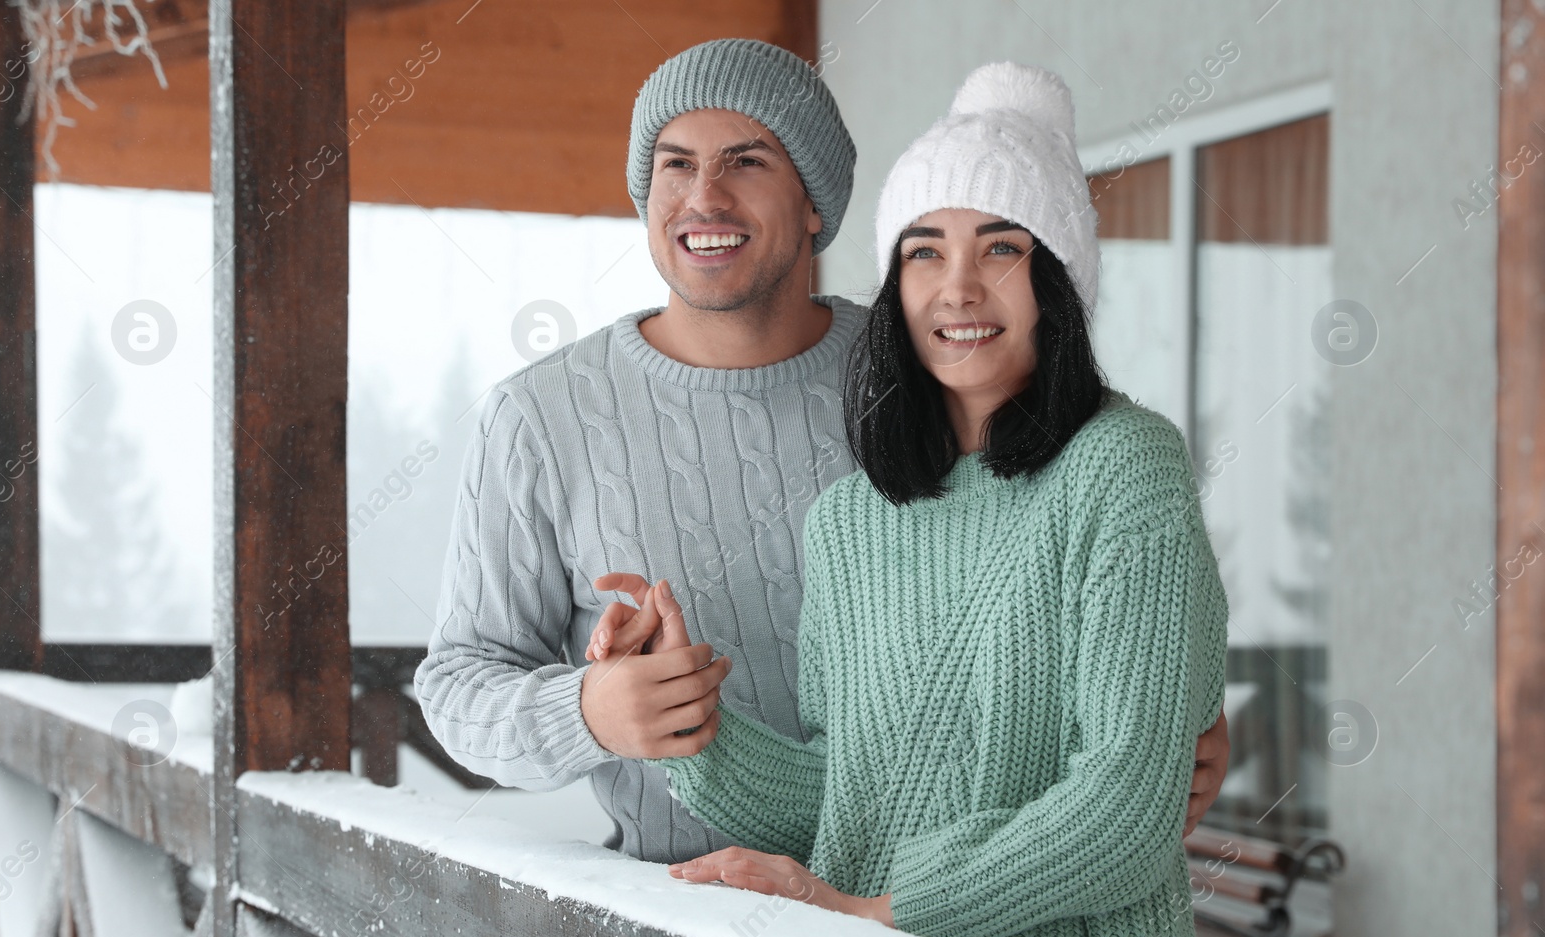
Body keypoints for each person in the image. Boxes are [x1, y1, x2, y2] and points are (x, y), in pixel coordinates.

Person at [415, 39, 1228, 871]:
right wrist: (590, 710)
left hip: (930, 918)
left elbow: (1080, 518)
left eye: (746, 161)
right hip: (675, 908)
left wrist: (1179, 704)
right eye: (674, 165)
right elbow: (456, 684)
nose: (704, 197)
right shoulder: (539, 416)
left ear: (815, 202)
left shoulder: (925, 366)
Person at [583, 61, 1228, 937]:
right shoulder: (849, 521)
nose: (958, 289)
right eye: (924, 252)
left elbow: (1126, 813)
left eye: (1001, 249)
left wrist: (877, 910)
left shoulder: (1124, 468)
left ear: (1057, 280)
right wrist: (684, 722)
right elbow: (848, 801)